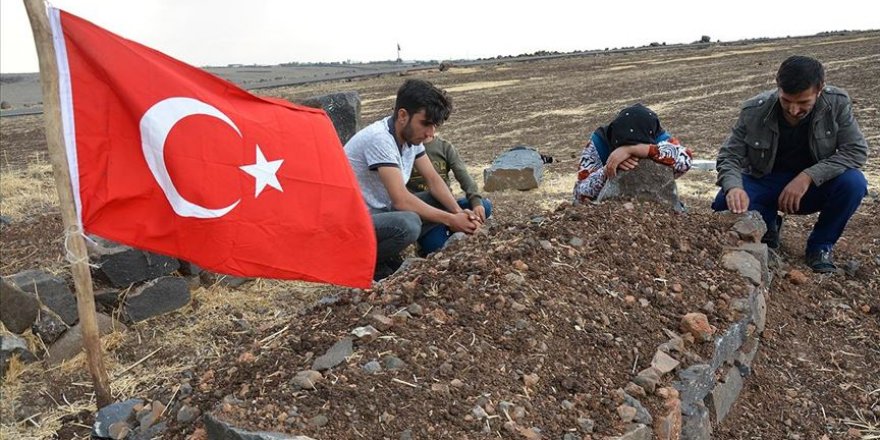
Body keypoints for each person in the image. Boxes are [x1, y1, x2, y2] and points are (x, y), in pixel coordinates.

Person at [712, 55, 868, 273]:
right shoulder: (754, 110)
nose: (793, 110)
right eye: (786, 101)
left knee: (854, 183)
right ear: (778, 87)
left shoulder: (837, 104)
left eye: (803, 103)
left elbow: (856, 151)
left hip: (812, 187)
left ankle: (820, 247)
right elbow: (729, 156)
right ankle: (767, 223)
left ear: (820, 89)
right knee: (724, 202)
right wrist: (734, 187)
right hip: (766, 181)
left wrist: (808, 176)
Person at [344, 79, 483, 280]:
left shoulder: (410, 136)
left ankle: (385, 257)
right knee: (409, 224)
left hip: (382, 213)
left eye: (434, 126)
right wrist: (451, 220)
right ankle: (365, 262)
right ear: (402, 115)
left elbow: (434, 179)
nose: (430, 134)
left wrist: (459, 213)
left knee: (445, 200)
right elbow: (401, 199)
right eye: (425, 124)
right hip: (353, 222)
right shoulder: (380, 139)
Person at [572, 103, 693, 204]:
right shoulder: (599, 142)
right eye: (622, 145)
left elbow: (685, 159)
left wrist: (636, 150)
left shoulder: (657, 136)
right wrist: (607, 170)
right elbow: (579, 193)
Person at [406, 136, 493, 255]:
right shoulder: (407, 148)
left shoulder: (444, 146)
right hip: (426, 216)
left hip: (449, 206)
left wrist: (476, 202)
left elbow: (464, 177)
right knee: (435, 247)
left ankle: (457, 226)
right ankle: (452, 228)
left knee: (485, 206)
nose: (430, 131)